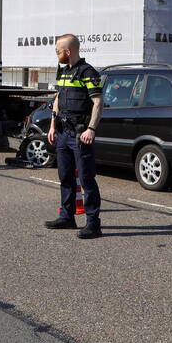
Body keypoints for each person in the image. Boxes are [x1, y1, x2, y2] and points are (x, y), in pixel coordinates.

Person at [44, 34, 104, 239]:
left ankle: (93, 224)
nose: (56, 54)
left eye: (58, 51)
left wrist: (91, 129)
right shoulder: (62, 72)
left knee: (87, 179)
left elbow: (98, 102)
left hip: (80, 135)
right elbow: (58, 99)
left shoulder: (88, 73)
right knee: (65, 177)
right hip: (62, 133)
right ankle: (67, 217)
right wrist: (52, 126)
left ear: (68, 51)